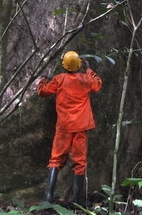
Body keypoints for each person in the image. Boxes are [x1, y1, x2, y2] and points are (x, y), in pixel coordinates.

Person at [36, 51, 103, 207]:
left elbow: (42, 92)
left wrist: (43, 78)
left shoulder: (59, 79)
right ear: (79, 65)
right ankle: (79, 201)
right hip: (81, 126)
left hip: (64, 126)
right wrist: (89, 69)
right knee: (79, 161)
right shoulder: (85, 79)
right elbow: (98, 84)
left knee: (56, 159)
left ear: (63, 65)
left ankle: (47, 198)